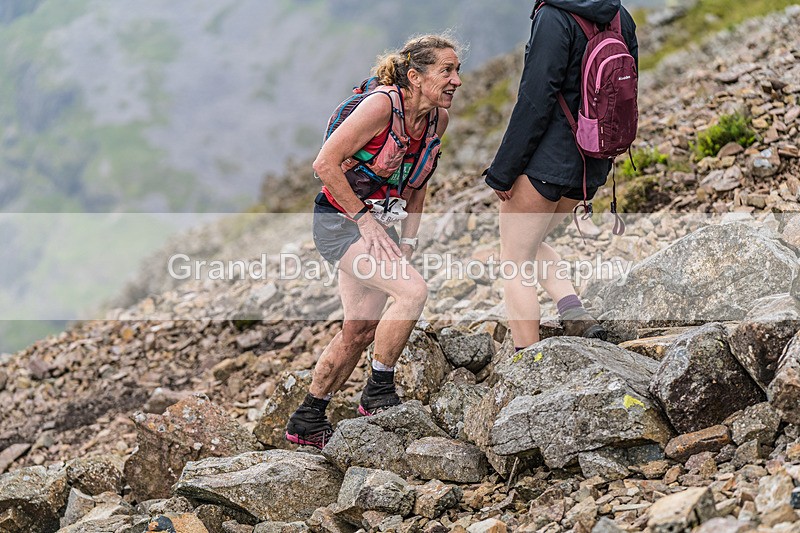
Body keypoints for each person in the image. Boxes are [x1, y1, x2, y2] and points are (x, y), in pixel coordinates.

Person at [285, 35, 463, 449]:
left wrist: (409, 242)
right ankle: (378, 393)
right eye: (446, 71)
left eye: (458, 71)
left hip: (380, 225)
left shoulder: (437, 120)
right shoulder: (382, 105)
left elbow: (417, 185)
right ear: (414, 76)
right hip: (339, 223)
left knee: (360, 329)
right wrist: (364, 222)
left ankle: (307, 417)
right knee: (412, 291)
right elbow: (324, 164)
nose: (456, 80)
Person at [483, 0, 638, 350]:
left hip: (546, 165)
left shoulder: (554, 17)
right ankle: (574, 312)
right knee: (528, 243)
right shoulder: (619, 16)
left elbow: (535, 99)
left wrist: (503, 172)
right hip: (593, 161)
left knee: (514, 262)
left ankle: (527, 363)